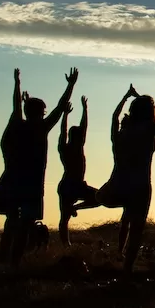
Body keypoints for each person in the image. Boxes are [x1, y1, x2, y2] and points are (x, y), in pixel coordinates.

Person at [0, 68, 78, 264]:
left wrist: (17, 85)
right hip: (30, 186)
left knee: (12, 221)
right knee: (24, 223)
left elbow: (16, 107)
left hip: (11, 183)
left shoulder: (18, 125)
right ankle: (14, 262)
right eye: (43, 112)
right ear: (39, 113)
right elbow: (61, 107)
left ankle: (5, 260)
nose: (45, 114)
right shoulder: (40, 128)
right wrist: (70, 85)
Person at [96, 84, 155, 273]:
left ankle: (122, 261)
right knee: (136, 230)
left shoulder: (119, 133)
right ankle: (127, 270)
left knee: (102, 200)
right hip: (140, 186)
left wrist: (126, 97)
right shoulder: (150, 127)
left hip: (118, 184)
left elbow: (114, 116)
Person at [58, 95, 100, 246]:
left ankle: (74, 208)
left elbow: (79, 128)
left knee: (97, 198)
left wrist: (81, 111)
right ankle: (66, 245)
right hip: (70, 185)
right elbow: (66, 132)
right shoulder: (68, 148)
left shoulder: (67, 147)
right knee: (64, 218)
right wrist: (80, 111)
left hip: (73, 185)